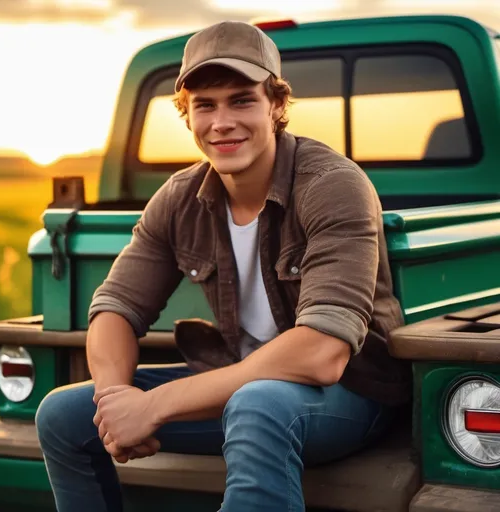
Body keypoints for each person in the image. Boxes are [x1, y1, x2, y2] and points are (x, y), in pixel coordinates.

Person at [36, 20, 411, 512]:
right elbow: (116, 307)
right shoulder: (179, 197)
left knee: (258, 404)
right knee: (63, 413)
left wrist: (154, 406)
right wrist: (115, 406)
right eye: (204, 105)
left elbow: (323, 353)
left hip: (347, 396)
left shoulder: (332, 185)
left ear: (276, 105)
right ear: (186, 115)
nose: (222, 122)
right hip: (240, 386)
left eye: (242, 100)